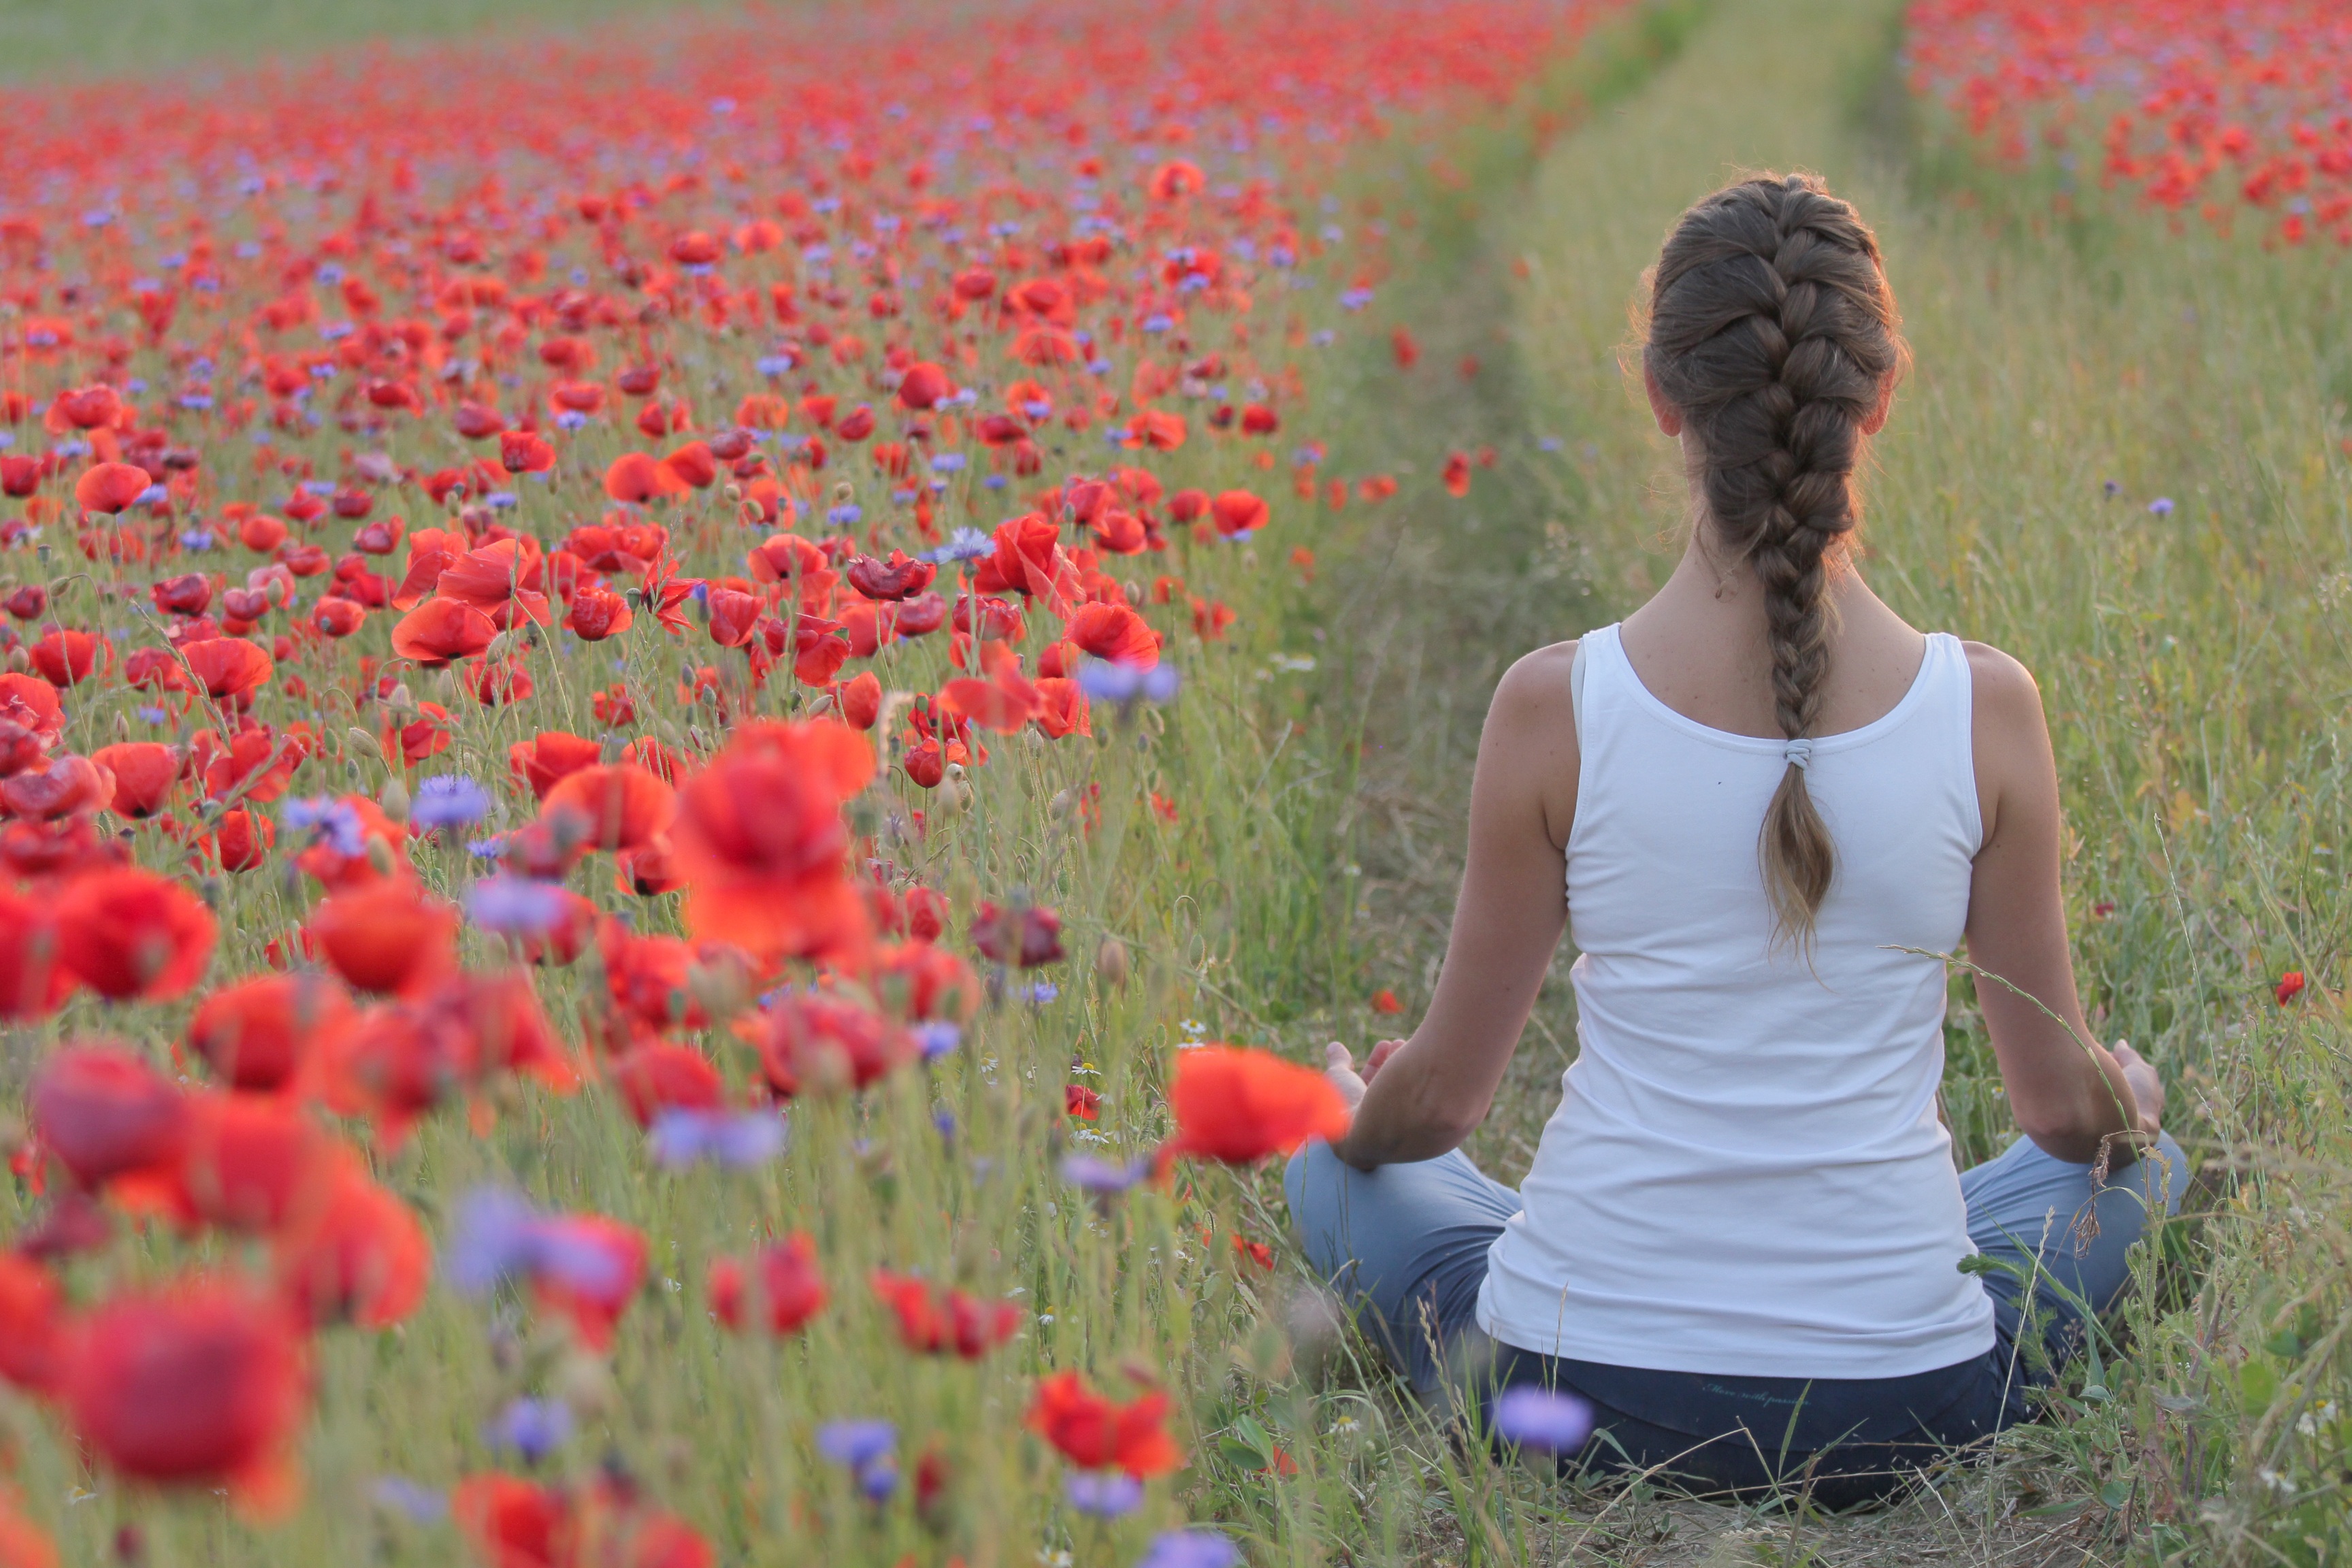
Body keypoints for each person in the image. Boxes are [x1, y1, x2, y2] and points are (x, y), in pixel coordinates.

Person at [1285, 172, 2182, 1509]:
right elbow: (2060, 1112)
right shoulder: (1985, 708)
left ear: (1660, 397)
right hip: (1907, 1403)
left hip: (1571, 1388)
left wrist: (1355, 1118)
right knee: (2140, 1170)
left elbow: (1444, 1109)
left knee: (1330, 1162)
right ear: (1876, 398)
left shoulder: (1555, 706)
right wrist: (2131, 1106)